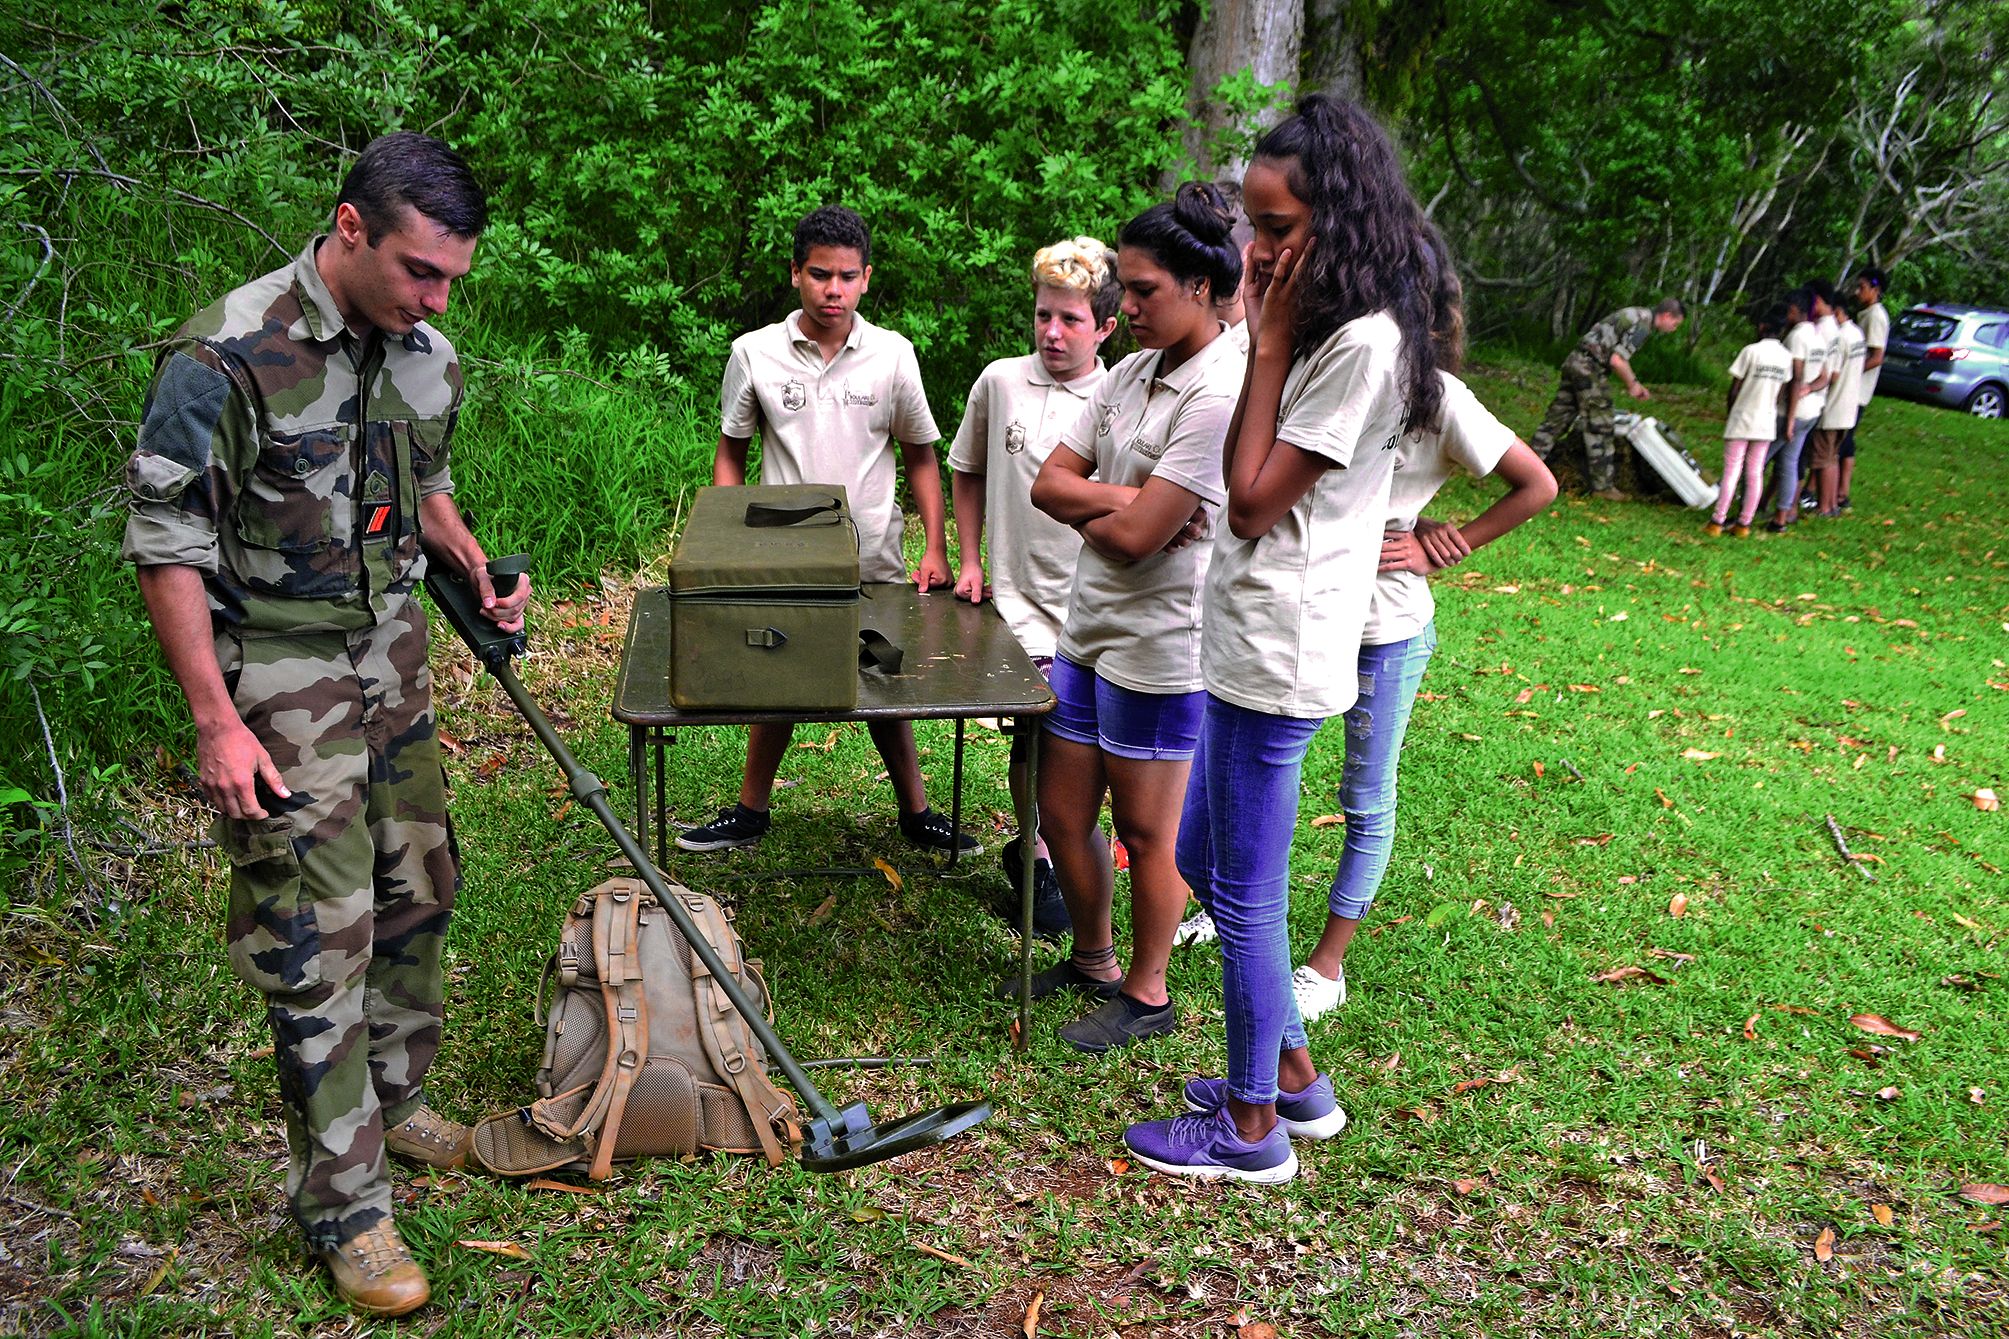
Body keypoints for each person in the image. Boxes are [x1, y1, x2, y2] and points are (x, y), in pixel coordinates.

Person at [122, 132, 526, 1316]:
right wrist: (215, 723)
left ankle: (395, 1102)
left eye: (451, 278)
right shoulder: (225, 355)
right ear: (349, 228)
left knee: (417, 887)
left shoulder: (426, 353)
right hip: (280, 671)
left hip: (392, 650)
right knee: (318, 937)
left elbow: (423, 481)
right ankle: (344, 1209)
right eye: (417, 271)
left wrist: (468, 563)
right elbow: (168, 547)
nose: (435, 300)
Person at [1121, 94, 1444, 1183]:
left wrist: (1258, 341)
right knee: (1207, 859)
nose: (1255, 250)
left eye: (1276, 228)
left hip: (1281, 650)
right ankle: (1294, 1078)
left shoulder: (1358, 342)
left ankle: (1251, 1128)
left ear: (1338, 222)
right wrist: (1270, 329)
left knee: (1246, 894)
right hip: (1241, 639)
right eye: (1252, 227)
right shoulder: (1323, 327)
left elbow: (1251, 502)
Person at [1278, 248, 1556, 1022]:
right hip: (1308, 609)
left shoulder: (1441, 400)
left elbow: (1535, 484)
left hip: (1386, 628)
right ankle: (1230, 914)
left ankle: (1326, 965)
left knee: (1364, 795)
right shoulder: (1327, 373)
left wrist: (1451, 540)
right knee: (1273, 775)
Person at [1007, 182, 1243, 1055]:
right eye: (1126, 290)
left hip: (1161, 646)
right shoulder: (1132, 373)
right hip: (1086, 630)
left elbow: (1146, 541)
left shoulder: (1218, 392)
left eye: (1143, 291)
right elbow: (1047, 485)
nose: (1127, 306)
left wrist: (1110, 509)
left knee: (1146, 833)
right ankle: (1094, 959)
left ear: (1198, 287)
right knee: (1059, 811)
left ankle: (1148, 992)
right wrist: (1122, 495)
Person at [678, 206, 977, 856]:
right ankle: (750, 810)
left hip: (873, 562)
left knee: (883, 678)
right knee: (778, 680)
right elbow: (731, 449)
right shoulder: (753, 353)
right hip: (783, 562)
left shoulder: (892, 355)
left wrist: (935, 545)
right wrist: (727, 537)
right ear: (795, 274)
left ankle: (916, 811)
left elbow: (921, 453)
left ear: (866, 278)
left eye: (846, 276)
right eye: (819, 274)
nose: (832, 290)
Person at [949, 236, 1121, 937]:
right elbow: (965, 467)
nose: (1052, 331)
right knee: (1037, 737)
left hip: (1099, 604)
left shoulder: (1124, 392)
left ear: (1105, 327)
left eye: (1071, 319)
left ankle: (1062, 843)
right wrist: (964, 555)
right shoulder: (999, 381)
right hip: (1017, 604)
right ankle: (1039, 851)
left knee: (1088, 745)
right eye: (1043, 314)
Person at [1528, 297, 1684, 501]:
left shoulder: (1635, 312)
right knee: (1601, 425)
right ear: (1666, 315)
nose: (1673, 329)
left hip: (1575, 362)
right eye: (1675, 324)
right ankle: (1603, 487)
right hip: (1589, 369)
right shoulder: (1643, 325)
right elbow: (1617, 360)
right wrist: (1633, 384)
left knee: (1555, 421)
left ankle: (1524, 468)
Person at [1707, 304, 1794, 537]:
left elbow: (1735, 388)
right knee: (1755, 471)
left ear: (1762, 327)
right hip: (1766, 420)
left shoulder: (1751, 351)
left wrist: (1730, 413)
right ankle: (1745, 523)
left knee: (1732, 469)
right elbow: (1781, 392)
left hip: (1743, 416)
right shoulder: (1786, 357)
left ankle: (1718, 519)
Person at [1765, 288, 1827, 532]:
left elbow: (1794, 377)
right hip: (1812, 411)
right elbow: (1824, 376)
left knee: (1759, 460)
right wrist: (1810, 390)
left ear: (1794, 309)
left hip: (1792, 413)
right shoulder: (1817, 336)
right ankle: (1781, 516)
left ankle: (1742, 510)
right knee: (1789, 463)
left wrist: (1789, 418)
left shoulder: (1796, 338)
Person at [1808, 285, 1864, 518]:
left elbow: (1834, 374)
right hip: (1849, 408)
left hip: (1834, 408)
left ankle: (1824, 506)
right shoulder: (1857, 334)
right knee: (1831, 457)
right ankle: (1830, 505)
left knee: (1823, 459)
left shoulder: (1840, 338)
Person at [1844, 268, 1890, 510]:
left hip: (1858, 391)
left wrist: (1851, 373)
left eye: (1862, 287)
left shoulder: (1875, 316)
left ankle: (1842, 493)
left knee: (1845, 440)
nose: (1857, 292)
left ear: (1875, 290)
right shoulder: (1865, 313)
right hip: (1852, 389)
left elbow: (1877, 356)